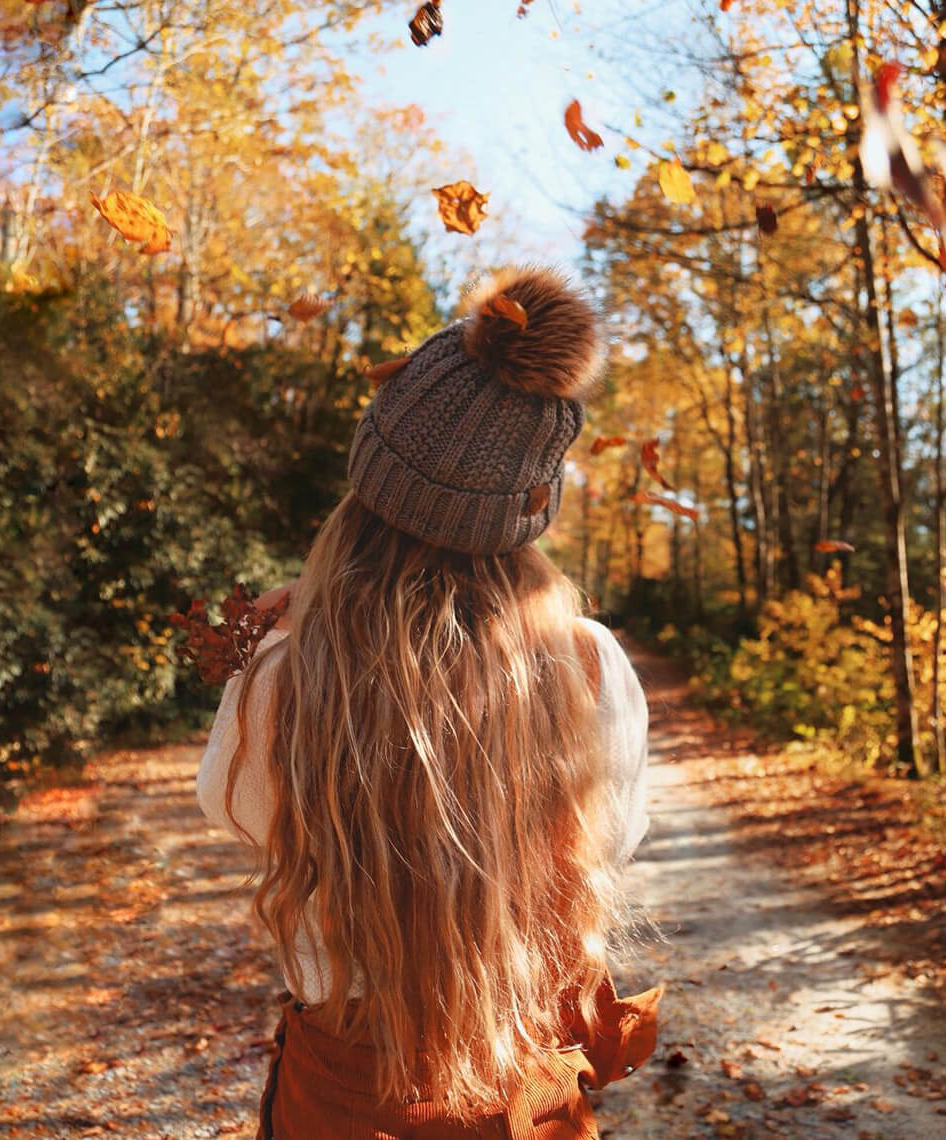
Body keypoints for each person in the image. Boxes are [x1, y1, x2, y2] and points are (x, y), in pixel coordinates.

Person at [197, 266, 660, 1139]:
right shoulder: (590, 666)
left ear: (369, 481)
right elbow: (616, 838)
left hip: (344, 1094)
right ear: (529, 508)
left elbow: (240, 813)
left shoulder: (290, 666)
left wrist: (317, 633)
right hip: (525, 1087)